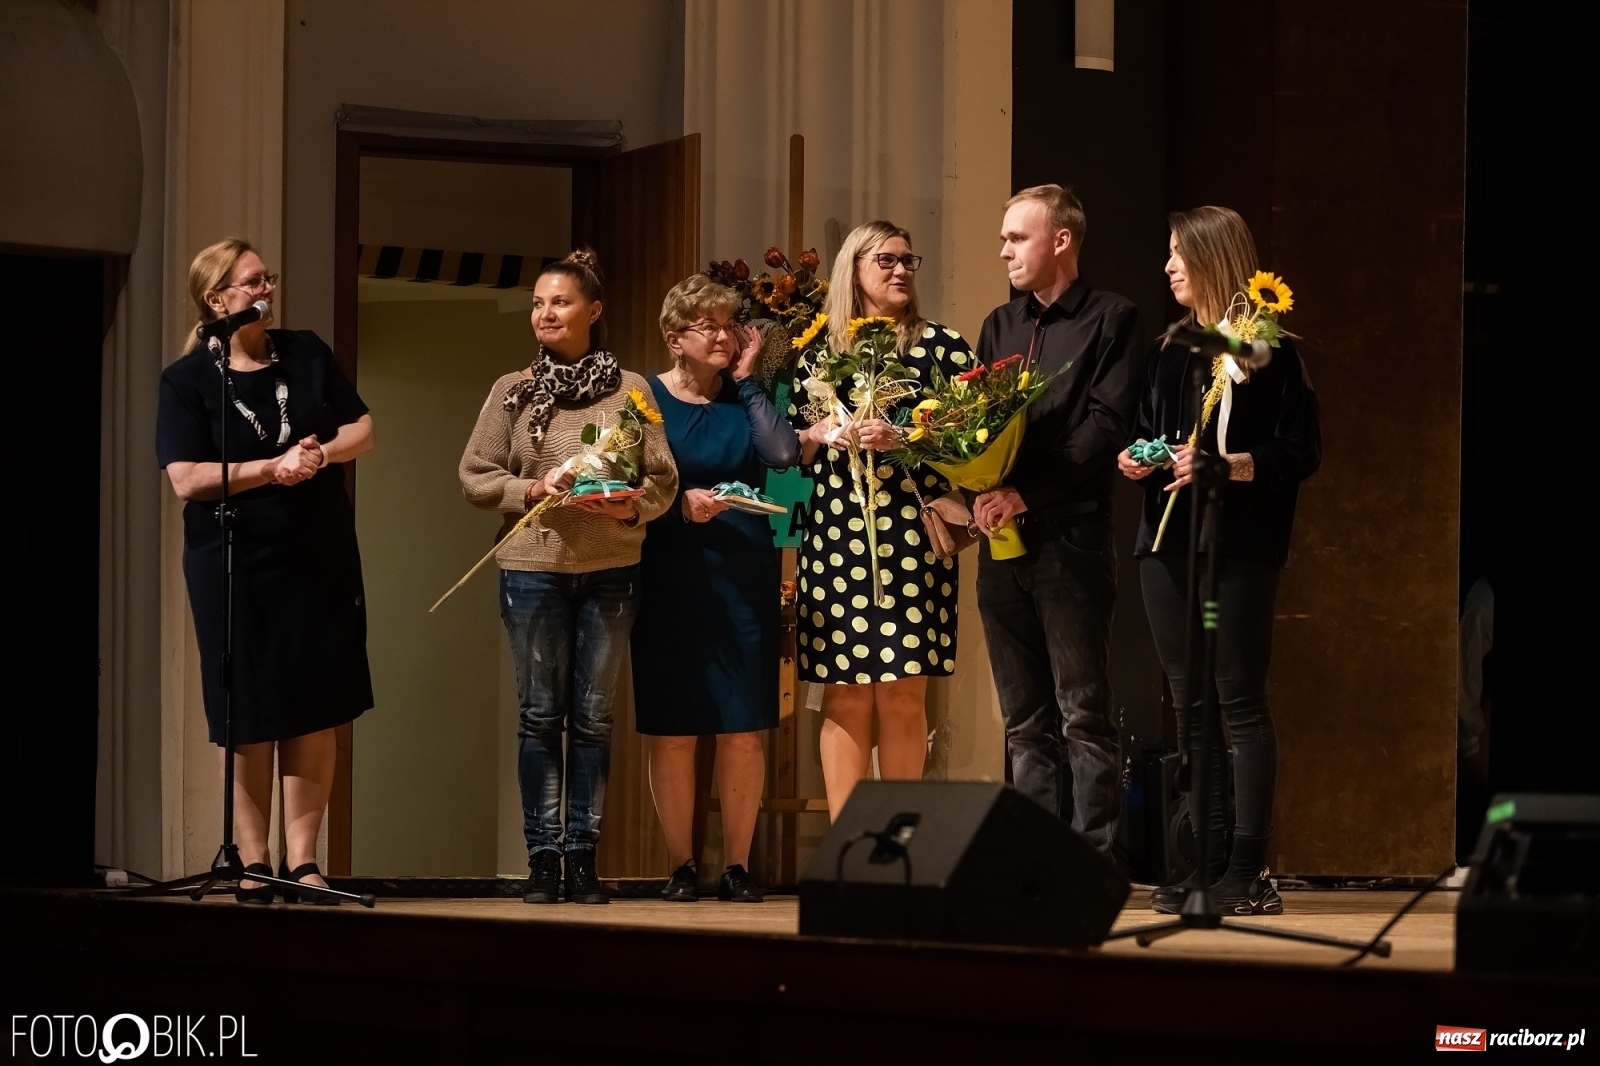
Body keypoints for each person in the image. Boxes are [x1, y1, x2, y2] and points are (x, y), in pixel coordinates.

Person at [157, 237, 376, 904]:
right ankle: (254, 861)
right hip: (236, 559)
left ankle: (303, 862)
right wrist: (269, 469)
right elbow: (186, 478)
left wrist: (319, 455)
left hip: (316, 550)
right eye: (252, 282)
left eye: (267, 278)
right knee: (248, 709)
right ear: (215, 298)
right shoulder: (187, 380)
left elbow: (363, 429)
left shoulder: (305, 352)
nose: (266, 291)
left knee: (315, 704)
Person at [1117, 205, 1321, 915]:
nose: (1168, 266)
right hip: (1166, 544)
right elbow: (1149, 430)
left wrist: (1227, 465)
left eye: (1179, 253)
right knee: (1190, 706)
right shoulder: (1171, 350)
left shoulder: (1270, 351)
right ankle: (1201, 863)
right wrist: (1140, 457)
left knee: (1239, 703)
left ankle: (1247, 869)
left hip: (1238, 547)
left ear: (1212, 258)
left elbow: (1301, 453)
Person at [460, 249, 677, 905]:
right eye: (537, 303)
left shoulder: (632, 389)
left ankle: (582, 857)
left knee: (593, 720)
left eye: (559, 301)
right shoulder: (513, 388)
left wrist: (627, 505)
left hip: (612, 569)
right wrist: (533, 488)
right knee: (538, 717)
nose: (545, 313)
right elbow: (475, 475)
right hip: (533, 569)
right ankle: (543, 861)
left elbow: (663, 479)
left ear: (594, 310)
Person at [972, 185, 1143, 854]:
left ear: (1061, 240)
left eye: (1017, 237)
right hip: (1004, 539)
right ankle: (1034, 859)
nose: (1005, 251)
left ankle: (1092, 860)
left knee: (1082, 712)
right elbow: (979, 424)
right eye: (1004, 238)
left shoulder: (1112, 318)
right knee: (1023, 720)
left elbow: (1106, 425)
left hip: (1070, 535)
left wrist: (1027, 493)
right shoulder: (999, 324)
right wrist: (980, 486)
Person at [789, 221, 973, 817]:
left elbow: (975, 439)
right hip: (834, 536)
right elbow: (787, 452)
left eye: (908, 261)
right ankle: (848, 845)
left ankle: (897, 843)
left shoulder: (941, 346)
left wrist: (907, 438)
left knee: (902, 695)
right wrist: (818, 433)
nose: (900, 271)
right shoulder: (817, 353)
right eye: (886, 260)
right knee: (845, 697)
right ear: (855, 267)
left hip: (912, 537)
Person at [634, 275, 801, 903]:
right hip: (669, 572)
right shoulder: (645, 397)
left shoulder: (744, 397)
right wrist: (679, 503)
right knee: (674, 728)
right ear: (674, 337)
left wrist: (749, 378)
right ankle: (680, 865)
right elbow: (627, 480)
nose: (725, 336)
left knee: (742, 728)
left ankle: (737, 865)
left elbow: (782, 454)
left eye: (731, 325)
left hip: (743, 572)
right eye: (709, 326)